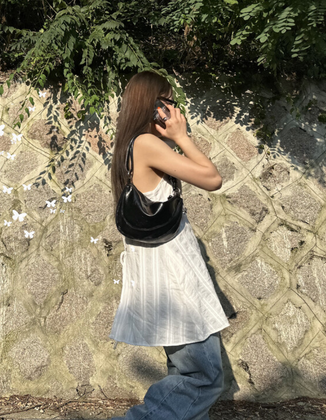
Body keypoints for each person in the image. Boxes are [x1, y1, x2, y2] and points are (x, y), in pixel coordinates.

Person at [109, 71, 230, 420]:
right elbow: (212, 178)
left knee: (184, 375)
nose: (175, 110)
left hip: (164, 274)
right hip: (174, 279)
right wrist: (181, 136)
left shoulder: (131, 145)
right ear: (155, 105)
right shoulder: (147, 144)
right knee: (203, 379)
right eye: (169, 102)